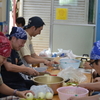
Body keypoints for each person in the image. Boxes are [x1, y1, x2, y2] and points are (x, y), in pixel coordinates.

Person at [0, 27, 39, 98]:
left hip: (17, 82)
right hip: (10, 84)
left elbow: (22, 67)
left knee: (34, 84)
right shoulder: (4, 50)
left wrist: (35, 72)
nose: (23, 45)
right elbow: (9, 67)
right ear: (14, 38)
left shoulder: (15, 52)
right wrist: (27, 69)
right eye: (22, 42)